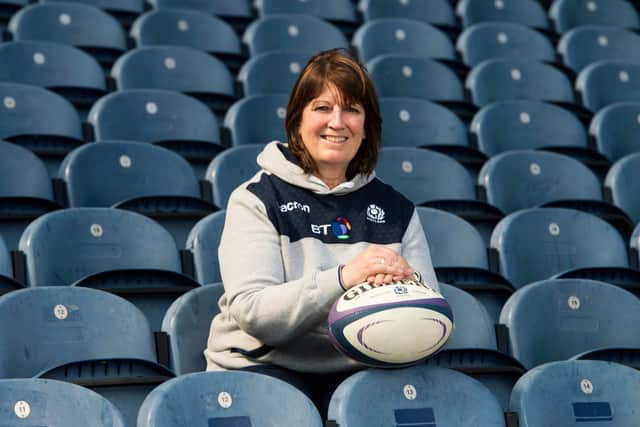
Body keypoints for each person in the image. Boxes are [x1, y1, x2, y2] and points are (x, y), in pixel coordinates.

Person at [205, 48, 438, 416]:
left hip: (363, 367)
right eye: (322, 108)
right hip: (262, 365)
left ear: (367, 127)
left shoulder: (397, 210)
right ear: (298, 119)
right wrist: (346, 279)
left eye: (352, 110)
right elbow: (254, 312)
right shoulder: (256, 199)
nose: (338, 122)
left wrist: (404, 289)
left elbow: (428, 315)